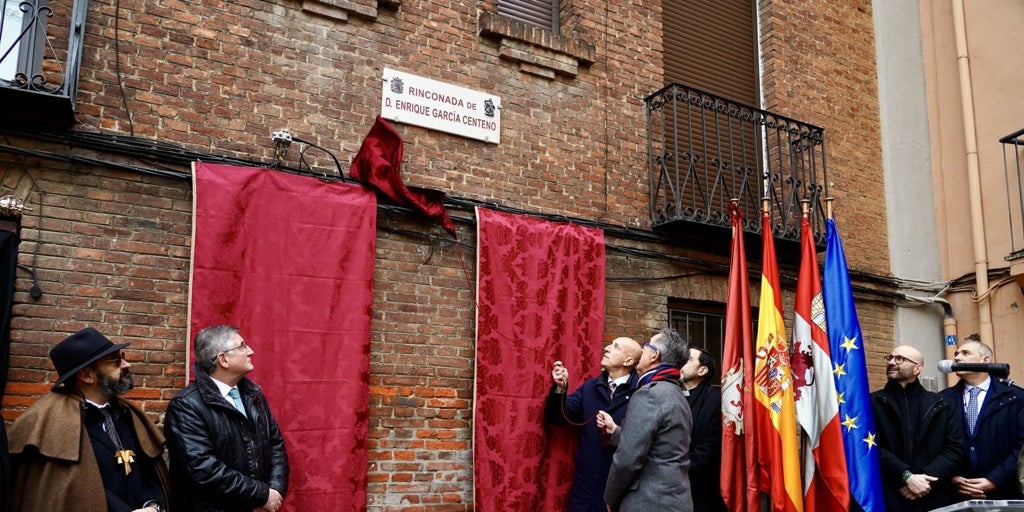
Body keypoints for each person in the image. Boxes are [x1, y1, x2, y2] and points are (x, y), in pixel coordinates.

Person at [7, 327, 170, 512]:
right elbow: (67, 491)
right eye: (115, 360)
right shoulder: (49, 420)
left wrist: (153, 505)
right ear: (86, 375)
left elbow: (150, 472)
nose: (126, 365)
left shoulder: (127, 413)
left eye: (122, 356)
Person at [164, 325, 289, 512]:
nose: (251, 351)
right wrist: (261, 495)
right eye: (242, 346)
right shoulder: (186, 406)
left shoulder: (253, 396)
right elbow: (204, 469)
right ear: (223, 359)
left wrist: (274, 491)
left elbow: (276, 444)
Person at [597, 328, 693, 512]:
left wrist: (611, 497)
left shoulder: (649, 394)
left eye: (646, 346)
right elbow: (663, 445)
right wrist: (616, 432)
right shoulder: (677, 393)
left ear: (654, 355)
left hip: (650, 502)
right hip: (676, 500)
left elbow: (627, 458)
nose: (642, 350)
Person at [544, 336, 644, 512]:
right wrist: (560, 388)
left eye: (616, 347)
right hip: (586, 487)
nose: (607, 348)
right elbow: (557, 418)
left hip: (621, 489)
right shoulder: (591, 387)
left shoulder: (642, 394)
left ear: (628, 361)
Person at [871, 345, 965, 512]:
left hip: (932, 499)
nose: (892, 362)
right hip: (885, 496)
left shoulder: (941, 404)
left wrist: (922, 481)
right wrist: (905, 476)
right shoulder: (871, 403)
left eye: (899, 359)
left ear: (918, 368)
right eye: (890, 358)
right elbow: (868, 446)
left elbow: (954, 450)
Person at [938, 337, 1024, 500]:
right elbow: (937, 444)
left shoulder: (1016, 398)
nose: (956, 357)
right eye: (956, 354)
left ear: (985, 360)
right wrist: (952, 476)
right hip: (957, 495)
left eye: (965, 353)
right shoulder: (942, 400)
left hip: (1004, 494)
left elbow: (1022, 447)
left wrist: (995, 479)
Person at [680, 346, 727, 512]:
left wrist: (675, 468)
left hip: (701, 491)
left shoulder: (715, 401)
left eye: (688, 359)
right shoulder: (672, 394)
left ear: (702, 370)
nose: (681, 363)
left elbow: (710, 449)